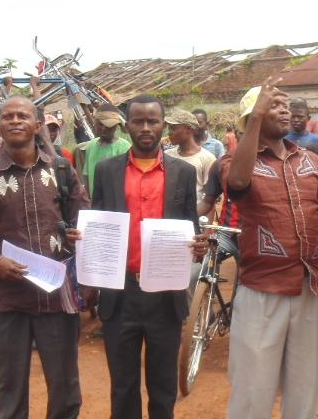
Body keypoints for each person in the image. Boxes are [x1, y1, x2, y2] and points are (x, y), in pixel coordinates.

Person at [0, 96, 90, 419]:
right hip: (10, 300)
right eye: (8, 116)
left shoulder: (61, 170)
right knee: (9, 392)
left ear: (37, 125)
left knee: (66, 389)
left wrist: (77, 234)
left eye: (22, 116)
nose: (15, 121)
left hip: (57, 299)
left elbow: (83, 218)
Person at [224, 79, 318, 419]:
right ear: (253, 117)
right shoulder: (235, 161)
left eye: (285, 106)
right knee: (252, 390)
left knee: (305, 388)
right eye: (273, 106)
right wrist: (256, 119)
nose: (284, 111)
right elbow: (238, 182)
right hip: (263, 290)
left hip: (311, 289)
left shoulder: (311, 162)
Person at [87, 95, 208, 419]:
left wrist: (197, 244)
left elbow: (190, 225)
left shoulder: (182, 172)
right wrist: (85, 240)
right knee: (123, 387)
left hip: (165, 295)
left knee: (163, 386)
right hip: (120, 293)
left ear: (163, 126)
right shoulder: (106, 171)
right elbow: (99, 221)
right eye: (138, 121)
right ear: (126, 125)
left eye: (152, 121)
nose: (145, 127)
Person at [77, 104, 131, 196]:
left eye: (108, 125)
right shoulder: (91, 146)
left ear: (116, 126)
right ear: (95, 123)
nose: (103, 128)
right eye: (100, 124)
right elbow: (87, 176)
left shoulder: (124, 147)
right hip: (95, 201)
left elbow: (129, 180)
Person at [164, 108, 216, 201]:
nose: (169, 132)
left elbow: (209, 198)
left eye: (173, 128)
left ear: (188, 129)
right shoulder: (167, 155)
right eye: (169, 128)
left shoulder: (207, 158)